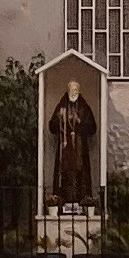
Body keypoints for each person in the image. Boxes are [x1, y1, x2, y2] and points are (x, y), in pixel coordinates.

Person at [47, 80, 96, 212]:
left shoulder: (84, 108)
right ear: (68, 91)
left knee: (81, 174)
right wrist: (59, 120)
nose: (73, 92)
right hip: (65, 148)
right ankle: (62, 202)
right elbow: (52, 126)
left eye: (76, 90)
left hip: (79, 149)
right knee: (64, 175)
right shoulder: (61, 107)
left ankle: (82, 202)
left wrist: (80, 123)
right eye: (71, 90)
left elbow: (92, 128)